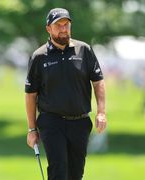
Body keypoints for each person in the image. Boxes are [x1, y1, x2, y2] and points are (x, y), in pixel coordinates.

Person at [25, 8, 107, 180]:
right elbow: (31, 95)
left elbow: (98, 82)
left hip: (80, 122)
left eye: (66, 25)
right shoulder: (39, 57)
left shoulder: (84, 50)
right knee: (58, 170)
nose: (63, 29)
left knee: (76, 173)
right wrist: (32, 129)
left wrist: (101, 112)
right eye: (58, 25)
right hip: (51, 122)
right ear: (49, 29)